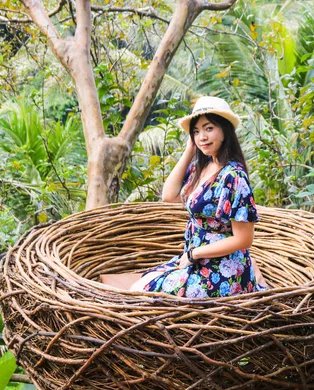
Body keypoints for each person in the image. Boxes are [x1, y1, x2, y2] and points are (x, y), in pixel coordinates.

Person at [101, 96, 267, 297]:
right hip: (196, 259)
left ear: (225, 130)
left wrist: (194, 253)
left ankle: (248, 280)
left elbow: (244, 239)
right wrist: (190, 149)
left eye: (209, 128)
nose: (202, 137)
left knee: (140, 294)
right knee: (141, 284)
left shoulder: (234, 177)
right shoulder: (203, 167)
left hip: (223, 269)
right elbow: (169, 195)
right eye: (196, 131)